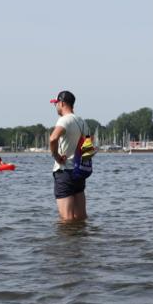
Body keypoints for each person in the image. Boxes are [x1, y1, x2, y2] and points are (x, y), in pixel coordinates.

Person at [48, 90, 88, 222]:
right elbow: (89, 148)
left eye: (56, 104)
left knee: (66, 219)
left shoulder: (64, 120)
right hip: (79, 172)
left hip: (64, 172)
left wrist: (56, 157)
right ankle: (82, 242)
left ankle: (67, 243)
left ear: (62, 103)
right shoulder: (83, 122)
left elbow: (53, 139)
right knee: (81, 217)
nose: (56, 107)